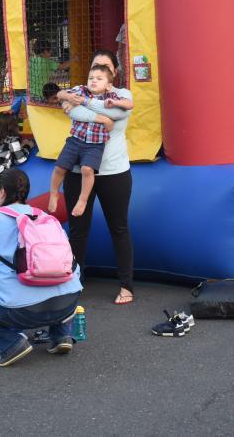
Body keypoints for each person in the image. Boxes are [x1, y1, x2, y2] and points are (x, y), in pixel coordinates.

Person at [0, 168, 83, 367]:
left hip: (23, 311)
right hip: (68, 302)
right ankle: (61, 335)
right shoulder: (46, 218)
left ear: (1, 193)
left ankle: (10, 344)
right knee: (55, 276)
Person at [57, 50, 136, 304]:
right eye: (95, 67)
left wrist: (83, 104)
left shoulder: (122, 96)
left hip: (114, 171)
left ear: (113, 73)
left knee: (119, 228)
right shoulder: (79, 90)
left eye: (105, 66)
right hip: (80, 171)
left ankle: (126, 285)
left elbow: (116, 115)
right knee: (78, 229)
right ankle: (74, 280)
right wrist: (95, 113)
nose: (99, 71)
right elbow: (71, 112)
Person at [49, 64, 131, 218]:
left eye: (99, 79)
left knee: (87, 170)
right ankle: (54, 193)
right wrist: (67, 98)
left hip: (94, 145)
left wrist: (116, 103)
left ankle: (83, 199)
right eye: (91, 78)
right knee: (60, 167)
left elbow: (129, 104)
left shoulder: (111, 98)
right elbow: (61, 94)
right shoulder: (81, 90)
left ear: (108, 86)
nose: (93, 81)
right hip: (75, 140)